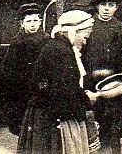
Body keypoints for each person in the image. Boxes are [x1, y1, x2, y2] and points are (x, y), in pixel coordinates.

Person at [17, 10, 98, 154]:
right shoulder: (60, 52)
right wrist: (86, 100)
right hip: (52, 115)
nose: (85, 41)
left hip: (49, 111)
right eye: (85, 36)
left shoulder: (58, 47)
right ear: (73, 32)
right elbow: (60, 88)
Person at [83, 0, 122, 154]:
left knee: (114, 126)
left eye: (111, 5)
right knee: (93, 123)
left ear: (116, 8)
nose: (106, 8)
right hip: (92, 80)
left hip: (113, 83)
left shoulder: (119, 28)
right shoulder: (89, 26)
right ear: (97, 6)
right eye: (103, 4)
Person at [0, 3, 50, 135]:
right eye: (28, 21)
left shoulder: (46, 39)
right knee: (22, 115)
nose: (32, 24)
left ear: (40, 21)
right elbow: (9, 67)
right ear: (22, 23)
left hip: (40, 81)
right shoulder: (17, 42)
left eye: (35, 20)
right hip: (22, 85)